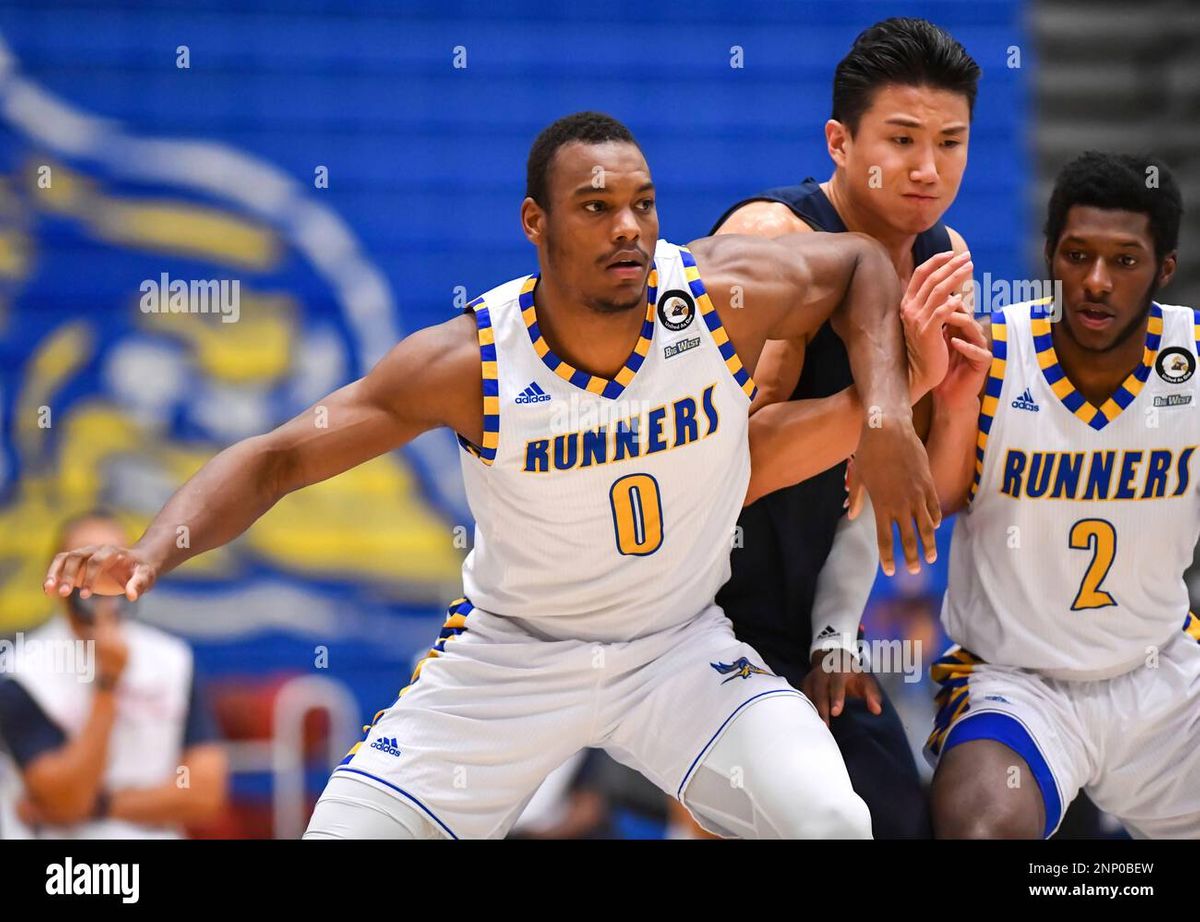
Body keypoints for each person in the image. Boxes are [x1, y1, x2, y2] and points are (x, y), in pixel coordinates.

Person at [44, 111, 959, 840]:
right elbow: (280, 456)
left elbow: (856, 268)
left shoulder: (712, 300)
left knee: (833, 822)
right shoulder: (471, 362)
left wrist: (883, 410)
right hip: (512, 653)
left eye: (643, 204)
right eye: (597, 208)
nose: (629, 228)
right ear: (537, 222)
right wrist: (153, 551)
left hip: (676, 645)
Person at [709, 17, 981, 838]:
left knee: (899, 817)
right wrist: (887, 399)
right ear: (838, 141)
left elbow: (896, 498)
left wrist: (834, 634)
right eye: (900, 139)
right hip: (687, 618)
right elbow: (724, 471)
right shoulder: (771, 243)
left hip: (806, 617)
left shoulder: (941, 253)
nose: (928, 168)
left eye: (950, 141)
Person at [926, 151, 1200, 838]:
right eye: (1077, 255)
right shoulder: (988, 355)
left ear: (1164, 269)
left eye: (1125, 260)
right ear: (1050, 253)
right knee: (980, 830)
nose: (1097, 282)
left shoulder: (1192, 361)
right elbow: (929, 506)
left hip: (1163, 677)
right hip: (1017, 688)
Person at [0, 510, 227, 838]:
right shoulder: (23, 673)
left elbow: (205, 793)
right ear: (58, 575)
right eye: (86, 562)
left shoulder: (172, 659)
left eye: (115, 561)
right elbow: (66, 797)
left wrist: (100, 807)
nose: (100, 574)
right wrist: (107, 684)